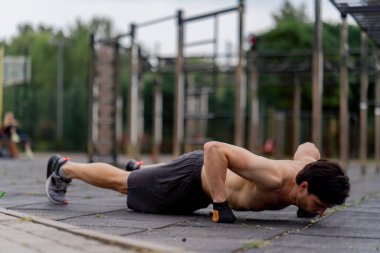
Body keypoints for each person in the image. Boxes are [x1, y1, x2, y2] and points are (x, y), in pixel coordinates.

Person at [45, 141, 350, 223]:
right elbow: (214, 149)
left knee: (138, 177)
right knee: (124, 183)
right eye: (319, 205)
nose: (320, 212)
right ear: (303, 187)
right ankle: (64, 168)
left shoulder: (308, 169)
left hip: (199, 184)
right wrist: (220, 203)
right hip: (191, 179)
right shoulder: (272, 175)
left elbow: (308, 146)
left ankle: (143, 168)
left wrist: (308, 204)